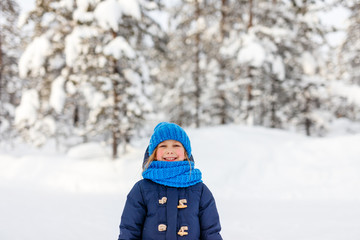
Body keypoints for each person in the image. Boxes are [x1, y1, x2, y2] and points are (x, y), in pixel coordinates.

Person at [118, 122, 222, 240]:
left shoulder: (200, 190)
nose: (170, 151)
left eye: (176, 145)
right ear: (155, 153)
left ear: (186, 153)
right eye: (163, 146)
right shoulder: (141, 189)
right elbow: (129, 230)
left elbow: (211, 232)